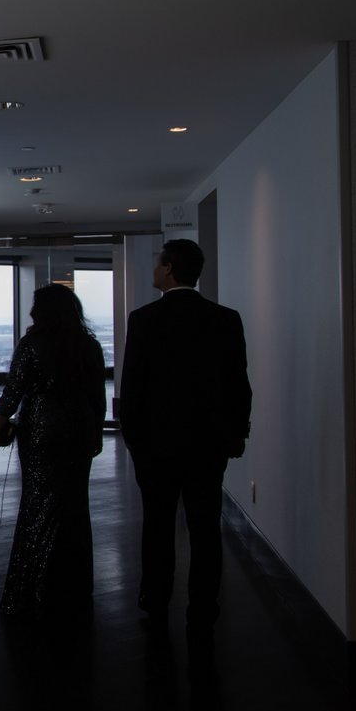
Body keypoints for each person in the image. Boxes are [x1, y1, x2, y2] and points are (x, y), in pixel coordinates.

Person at [119, 237, 252, 637]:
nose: (155, 270)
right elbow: (238, 385)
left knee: (157, 525)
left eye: (159, 263)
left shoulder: (143, 320)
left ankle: (156, 598)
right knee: (205, 527)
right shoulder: (225, 319)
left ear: (170, 268)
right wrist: (237, 433)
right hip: (209, 444)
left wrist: (133, 440)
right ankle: (203, 606)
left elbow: (133, 387)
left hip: (156, 446)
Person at [0, 284, 106, 618]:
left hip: (41, 430)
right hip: (79, 430)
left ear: (44, 310)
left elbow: (15, 388)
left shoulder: (32, 344)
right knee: (74, 506)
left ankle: (34, 586)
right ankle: (74, 586)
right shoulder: (89, 345)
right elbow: (98, 396)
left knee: (37, 505)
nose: (30, 312)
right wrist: (95, 431)